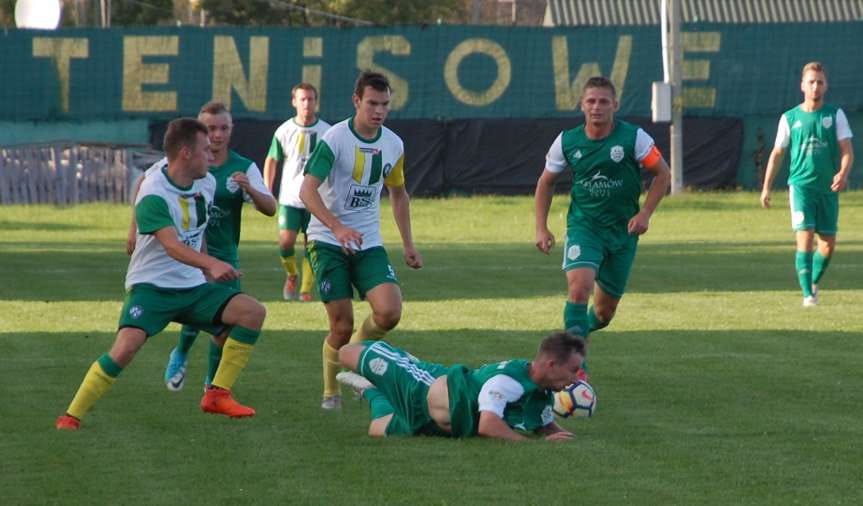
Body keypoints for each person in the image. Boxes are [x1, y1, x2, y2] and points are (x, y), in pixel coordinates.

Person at [56, 118, 267, 431]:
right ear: (185, 153)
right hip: (151, 288)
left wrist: (207, 269)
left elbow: (197, 232)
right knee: (126, 347)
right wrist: (210, 264)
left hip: (192, 286)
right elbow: (171, 245)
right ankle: (71, 416)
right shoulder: (155, 191)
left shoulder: (206, 182)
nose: (212, 156)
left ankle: (217, 394)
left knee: (252, 313)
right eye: (205, 150)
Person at [127, 102, 276, 392]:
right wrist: (133, 229)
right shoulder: (184, 163)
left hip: (224, 252)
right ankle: (180, 353)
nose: (217, 135)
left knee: (222, 326)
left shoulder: (242, 167)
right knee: (194, 310)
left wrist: (250, 189)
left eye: (223, 128)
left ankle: (212, 384)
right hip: (189, 249)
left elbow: (271, 208)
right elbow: (144, 182)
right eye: (210, 129)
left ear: (232, 130)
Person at [299, 71, 423, 410]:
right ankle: (330, 394)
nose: (379, 111)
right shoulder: (336, 139)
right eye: (372, 103)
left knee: (389, 312)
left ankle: (355, 357)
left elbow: (399, 194)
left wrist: (408, 244)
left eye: (385, 104)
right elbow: (307, 191)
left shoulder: (393, 144)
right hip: (326, 240)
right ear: (357, 101)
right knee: (341, 324)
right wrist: (337, 228)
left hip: (367, 241)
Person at [534, 76, 670, 375]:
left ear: (615, 105)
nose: (597, 107)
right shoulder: (567, 141)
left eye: (603, 101)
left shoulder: (634, 137)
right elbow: (546, 183)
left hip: (623, 233)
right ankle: (576, 367)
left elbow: (662, 174)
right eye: (591, 101)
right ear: (582, 105)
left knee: (604, 313)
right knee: (579, 289)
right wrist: (541, 228)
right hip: (585, 227)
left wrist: (646, 212)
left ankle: (580, 330)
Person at [335, 331, 585, 441]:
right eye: (573, 370)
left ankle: (369, 389)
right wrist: (528, 445)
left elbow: (545, 425)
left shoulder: (541, 390)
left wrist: (558, 435)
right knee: (347, 353)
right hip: (421, 387)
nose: (577, 378)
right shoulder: (508, 382)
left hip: (431, 423)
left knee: (375, 429)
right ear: (551, 364)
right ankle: (400, 360)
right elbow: (488, 426)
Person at [760, 62, 854, 307]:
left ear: (826, 86)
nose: (815, 86)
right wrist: (767, 187)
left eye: (820, 82)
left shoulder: (835, 115)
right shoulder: (790, 118)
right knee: (805, 236)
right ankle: (807, 295)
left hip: (828, 189)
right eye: (811, 81)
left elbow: (847, 150)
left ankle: (813, 282)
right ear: (802, 85)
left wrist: (842, 173)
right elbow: (777, 153)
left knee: (828, 244)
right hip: (801, 186)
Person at [263, 83, 331, 301]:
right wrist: (267, 189)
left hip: (316, 199)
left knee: (311, 244)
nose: (307, 104)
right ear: (294, 102)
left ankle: (305, 290)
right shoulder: (284, 130)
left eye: (310, 99)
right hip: (290, 198)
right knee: (286, 241)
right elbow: (272, 159)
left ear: (316, 102)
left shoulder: (327, 132)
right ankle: (292, 274)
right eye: (302, 99)